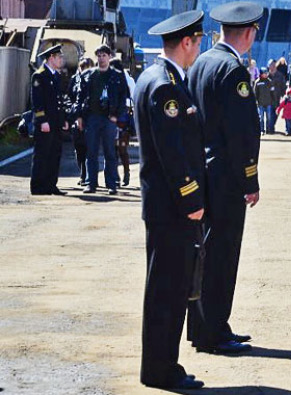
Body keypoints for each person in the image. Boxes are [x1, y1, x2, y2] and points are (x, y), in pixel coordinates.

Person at [134, 9, 206, 389]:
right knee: (168, 290)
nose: (198, 49)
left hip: (163, 206)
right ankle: (162, 370)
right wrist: (192, 198)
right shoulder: (165, 87)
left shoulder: (154, 77)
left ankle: (160, 366)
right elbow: (172, 154)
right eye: (197, 42)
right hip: (172, 207)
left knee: (164, 287)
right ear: (186, 41)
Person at [186, 0, 263, 355]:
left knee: (206, 252)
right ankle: (213, 332)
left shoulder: (200, 64)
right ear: (247, 33)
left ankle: (206, 325)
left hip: (203, 172)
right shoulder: (233, 71)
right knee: (222, 253)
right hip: (227, 177)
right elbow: (242, 134)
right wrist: (250, 180)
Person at [75, 44, 129, 195]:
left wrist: (116, 116)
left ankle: (111, 184)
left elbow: (123, 98)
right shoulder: (89, 75)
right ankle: (91, 183)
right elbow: (80, 96)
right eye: (99, 55)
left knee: (110, 152)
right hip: (92, 117)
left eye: (104, 55)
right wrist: (79, 116)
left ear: (110, 57)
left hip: (109, 119)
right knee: (91, 152)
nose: (101, 58)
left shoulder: (117, 76)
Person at [29, 44, 69, 196]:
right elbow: (37, 101)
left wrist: (64, 119)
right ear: (51, 58)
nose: (61, 60)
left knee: (55, 154)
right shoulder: (40, 75)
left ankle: (51, 185)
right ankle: (38, 186)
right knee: (42, 155)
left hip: (56, 122)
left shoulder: (56, 75)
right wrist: (42, 120)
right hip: (45, 123)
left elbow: (60, 100)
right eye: (59, 57)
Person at [110, 58, 135, 187]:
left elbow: (134, 96)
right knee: (114, 149)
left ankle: (126, 173)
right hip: (114, 116)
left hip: (123, 117)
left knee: (121, 148)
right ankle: (116, 176)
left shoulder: (127, 79)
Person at [68, 57, 94, 186]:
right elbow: (69, 98)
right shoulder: (74, 80)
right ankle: (83, 173)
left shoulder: (96, 79)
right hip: (76, 117)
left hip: (90, 117)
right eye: (83, 67)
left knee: (90, 148)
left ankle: (88, 176)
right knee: (79, 149)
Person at [253, 67, 274, 134]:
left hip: (268, 102)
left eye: (266, 73)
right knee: (261, 117)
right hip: (260, 103)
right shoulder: (257, 82)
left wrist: (273, 100)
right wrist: (256, 101)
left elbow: (272, 92)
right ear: (261, 74)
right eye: (264, 73)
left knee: (269, 117)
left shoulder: (269, 81)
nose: (265, 75)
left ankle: (268, 129)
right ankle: (262, 130)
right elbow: (255, 93)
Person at [268, 60, 287, 132]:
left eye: (273, 65)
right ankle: (270, 127)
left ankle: (271, 126)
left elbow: (283, 86)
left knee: (276, 113)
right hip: (268, 98)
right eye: (270, 65)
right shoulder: (266, 75)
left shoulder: (280, 75)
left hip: (277, 97)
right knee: (269, 114)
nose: (272, 67)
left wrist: (284, 95)